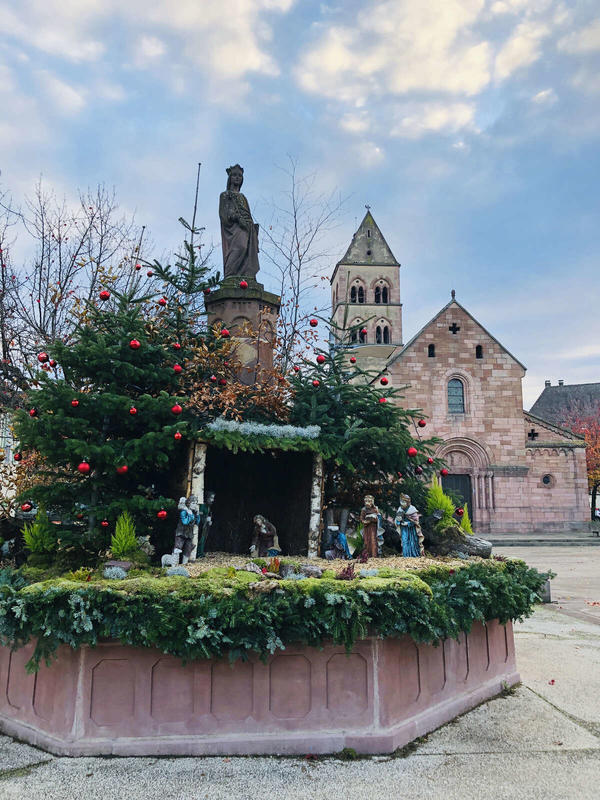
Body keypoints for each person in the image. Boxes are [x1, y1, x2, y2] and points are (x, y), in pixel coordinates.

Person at [219, 164, 260, 278]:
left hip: (247, 227)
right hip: (235, 227)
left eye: (240, 176)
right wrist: (236, 217)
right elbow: (223, 214)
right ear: (230, 178)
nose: (237, 178)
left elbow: (247, 213)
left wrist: (252, 227)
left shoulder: (243, 197)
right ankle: (230, 274)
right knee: (240, 247)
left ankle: (245, 275)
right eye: (235, 175)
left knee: (247, 250)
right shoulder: (225, 195)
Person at [173, 495, 201, 564]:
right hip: (181, 533)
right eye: (193, 503)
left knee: (188, 549)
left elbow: (197, 522)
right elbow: (185, 522)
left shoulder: (193, 512)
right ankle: (174, 563)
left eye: (196, 503)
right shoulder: (184, 512)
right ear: (189, 503)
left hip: (189, 534)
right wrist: (190, 515)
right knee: (178, 548)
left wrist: (197, 515)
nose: (195, 505)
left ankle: (184, 564)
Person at [395, 493, 424, 558]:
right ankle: (406, 555)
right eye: (401, 501)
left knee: (412, 542)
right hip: (404, 529)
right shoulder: (400, 509)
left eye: (403, 502)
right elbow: (397, 519)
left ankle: (414, 555)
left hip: (411, 530)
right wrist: (399, 521)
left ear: (408, 502)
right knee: (405, 541)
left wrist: (408, 523)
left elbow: (416, 521)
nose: (401, 503)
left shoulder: (412, 509)